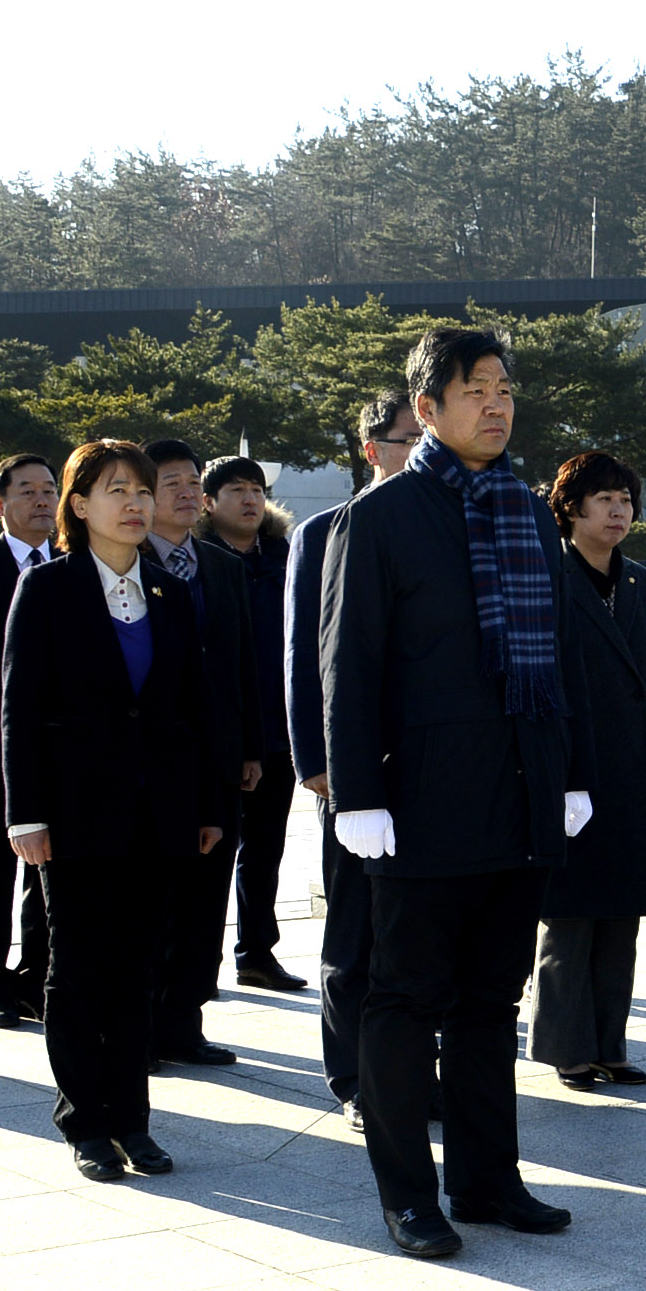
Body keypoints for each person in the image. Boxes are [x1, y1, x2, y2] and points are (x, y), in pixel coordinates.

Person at [320, 327, 588, 1256]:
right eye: (476, 389)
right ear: (426, 408)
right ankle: (409, 1195)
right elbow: (346, 668)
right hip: (422, 799)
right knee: (404, 1000)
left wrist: (573, 776)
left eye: (505, 387)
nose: (498, 403)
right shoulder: (385, 516)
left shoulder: (525, 510)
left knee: (489, 1001)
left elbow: (564, 659)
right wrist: (356, 796)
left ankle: (486, 1180)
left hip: (521, 795)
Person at [2, 441, 230, 1181]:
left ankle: (134, 1117)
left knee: (138, 972)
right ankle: (85, 1123)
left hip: (158, 814)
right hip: (72, 816)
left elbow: (197, 708)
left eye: (140, 490)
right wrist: (24, 813)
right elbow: (19, 710)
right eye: (114, 490)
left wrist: (206, 804)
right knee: (77, 970)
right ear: (78, 505)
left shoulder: (166, 591)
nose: (134, 504)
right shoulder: (46, 588)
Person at [530, 450, 646, 1089]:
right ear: (570, 509)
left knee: (622, 914)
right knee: (570, 917)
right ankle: (566, 1046)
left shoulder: (641, 583)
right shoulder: (549, 578)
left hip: (635, 768)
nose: (619, 510)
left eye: (625, 498)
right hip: (573, 765)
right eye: (604, 499)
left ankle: (609, 1043)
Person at [290, 392, 422, 1123]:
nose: (420, 451)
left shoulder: (450, 525)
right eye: (407, 440)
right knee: (354, 932)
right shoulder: (324, 532)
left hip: (432, 764)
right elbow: (305, 660)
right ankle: (355, 1080)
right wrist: (317, 757)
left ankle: (410, 1071)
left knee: (419, 933)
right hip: (352, 768)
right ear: (372, 449)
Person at [141, 440, 260, 1067]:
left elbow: (244, 665)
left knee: (206, 892)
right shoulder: (123, 565)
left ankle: (184, 1018)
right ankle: (144, 1019)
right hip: (152, 760)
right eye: (171, 482)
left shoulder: (221, 567)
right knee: (153, 894)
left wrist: (250, 747)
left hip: (216, 758)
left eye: (193, 482)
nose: (187, 492)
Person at [0, 453, 62, 1028]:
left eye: (49, 489)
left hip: (55, 748)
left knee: (46, 866)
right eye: (26, 491)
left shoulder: (76, 566)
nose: (41, 500)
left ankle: (36, 975)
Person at [203, 453, 305, 994]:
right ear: (208, 501)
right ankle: (196, 962)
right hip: (220, 734)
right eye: (236, 489)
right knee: (212, 852)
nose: (249, 499)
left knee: (266, 850)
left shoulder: (285, 557)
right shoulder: (196, 560)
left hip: (277, 731)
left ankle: (257, 953)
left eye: (255, 489)